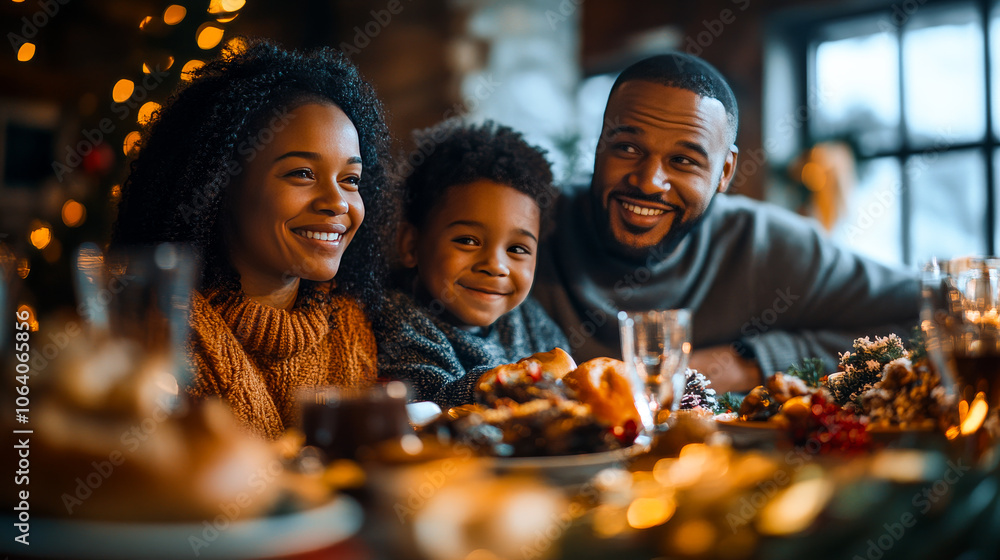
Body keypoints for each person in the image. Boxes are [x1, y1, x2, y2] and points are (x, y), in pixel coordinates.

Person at [531, 53, 920, 395]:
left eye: (683, 161)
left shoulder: (765, 244)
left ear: (725, 171)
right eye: (628, 148)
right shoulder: (528, 229)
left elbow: (932, 315)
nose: (649, 181)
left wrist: (746, 363)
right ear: (600, 145)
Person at [111, 39, 394, 439]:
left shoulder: (349, 326)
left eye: (350, 180)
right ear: (219, 186)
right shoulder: (160, 329)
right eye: (302, 174)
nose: (337, 203)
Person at [375, 120, 569, 407]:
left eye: (517, 248)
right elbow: (431, 406)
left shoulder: (530, 320)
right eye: (468, 241)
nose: (494, 265)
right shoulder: (396, 319)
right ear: (411, 244)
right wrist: (512, 380)